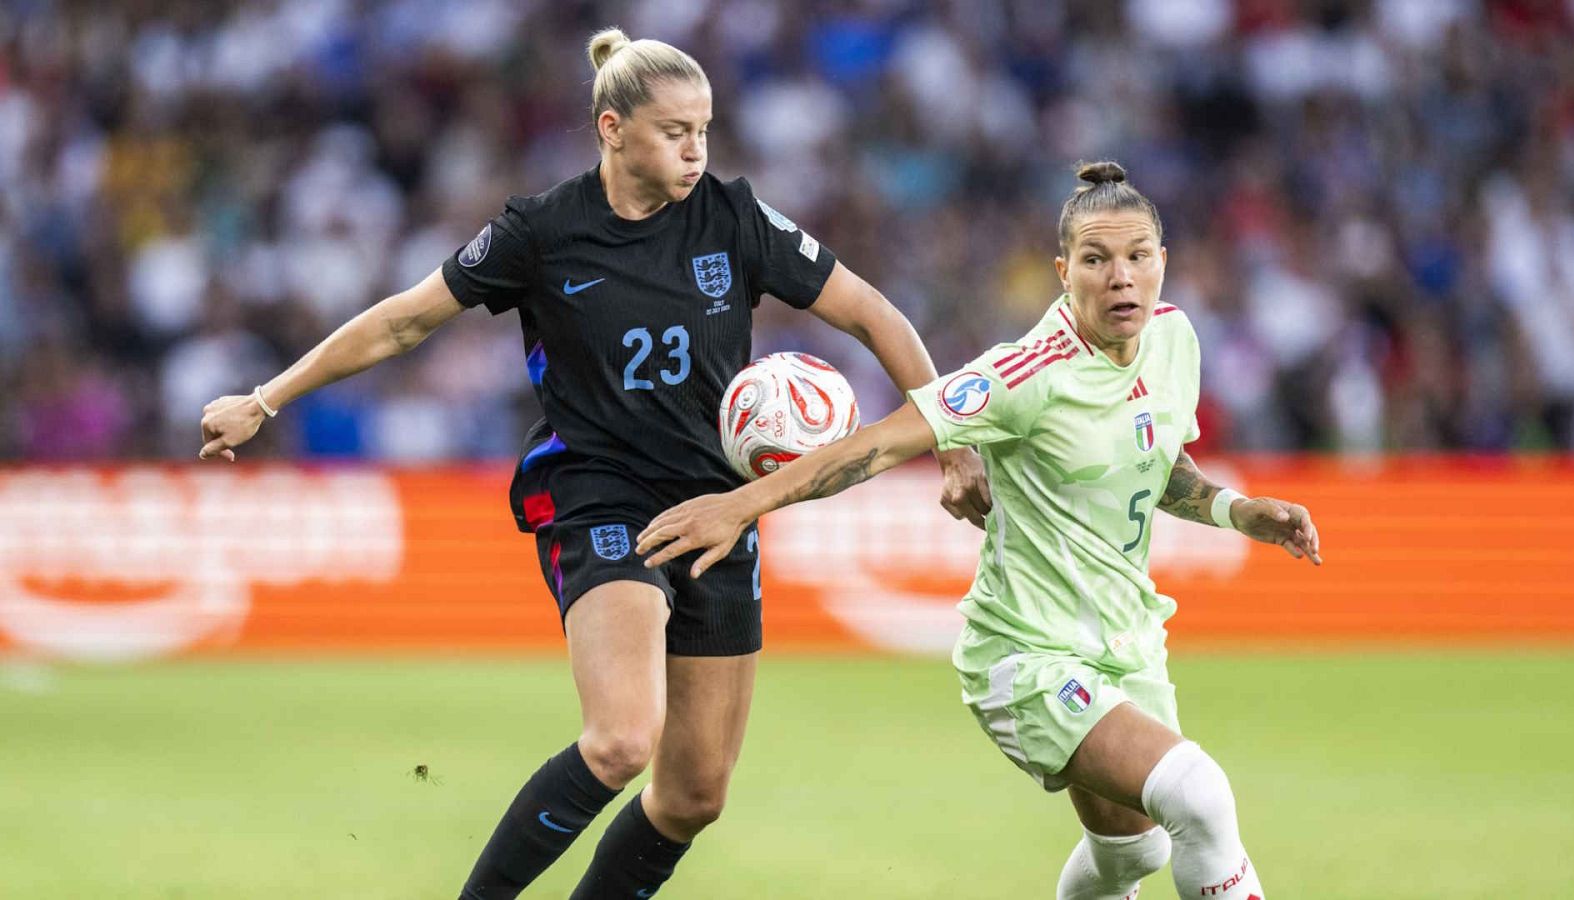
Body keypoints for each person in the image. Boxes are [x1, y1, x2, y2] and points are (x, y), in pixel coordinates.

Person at [197, 27, 987, 900]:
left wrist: (951, 439)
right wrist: (263, 399)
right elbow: (403, 320)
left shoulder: (735, 217)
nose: (696, 150)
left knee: (694, 796)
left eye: (706, 129)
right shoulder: (542, 230)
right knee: (620, 739)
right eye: (673, 131)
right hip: (599, 495)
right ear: (612, 129)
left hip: (723, 509)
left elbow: (876, 315)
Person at [637, 161, 1323, 900]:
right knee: (1201, 797)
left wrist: (1232, 511)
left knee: (1135, 856)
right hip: (1026, 659)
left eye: (1137, 257)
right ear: (1063, 272)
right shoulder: (1023, 376)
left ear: (1164, 262)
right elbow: (879, 444)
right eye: (1096, 260)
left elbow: (1157, 462)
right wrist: (743, 505)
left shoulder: (1174, 340)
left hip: (1127, 643)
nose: (1120, 277)